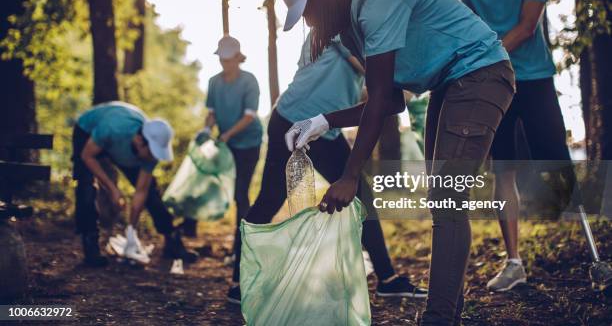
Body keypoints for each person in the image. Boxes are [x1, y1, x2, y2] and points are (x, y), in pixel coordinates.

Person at [279, 0, 516, 325]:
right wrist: (322, 121)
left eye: (308, 8)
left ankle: (438, 318)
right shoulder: (351, 26)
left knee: (447, 198)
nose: (309, 20)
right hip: (448, 83)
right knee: (444, 198)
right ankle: (445, 315)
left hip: (480, 73)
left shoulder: (374, 2)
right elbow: (389, 101)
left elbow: (377, 102)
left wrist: (350, 175)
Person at [226, 32, 428, 304]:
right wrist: (412, 76)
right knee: (269, 201)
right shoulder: (336, 27)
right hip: (295, 120)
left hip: (322, 126)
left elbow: (363, 87)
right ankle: (239, 283)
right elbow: (369, 69)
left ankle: (388, 279)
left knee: (359, 195)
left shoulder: (352, 31)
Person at [461, 0, 575, 292]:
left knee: (557, 157)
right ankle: (514, 263)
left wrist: (490, 55)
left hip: (536, 77)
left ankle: (586, 240)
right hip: (497, 84)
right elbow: (466, 31)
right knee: (504, 169)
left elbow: (528, 27)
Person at [72, 101, 198, 267]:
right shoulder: (112, 129)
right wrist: (113, 189)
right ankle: (91, 248)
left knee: (151, 193)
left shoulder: (149, 152)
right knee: (86, 188)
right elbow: (88, 156)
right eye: (152, 152)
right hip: (87, 131)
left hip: (121, 145)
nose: (154, 158)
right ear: (140, 141)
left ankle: (172, 241)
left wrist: (131, 229)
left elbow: (141, 192)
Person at [194, 36, 263, 258]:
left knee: (241, 193)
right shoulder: (214, 82)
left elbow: (249, 116)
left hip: (249, 143)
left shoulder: (249, 81)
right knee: (225, 188)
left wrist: (227, 134)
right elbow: (212, 113)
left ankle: (242, 247)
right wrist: (207, 129)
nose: (225, 64)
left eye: (228, 60)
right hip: (227, 143)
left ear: (237, 58)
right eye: (222, 60)